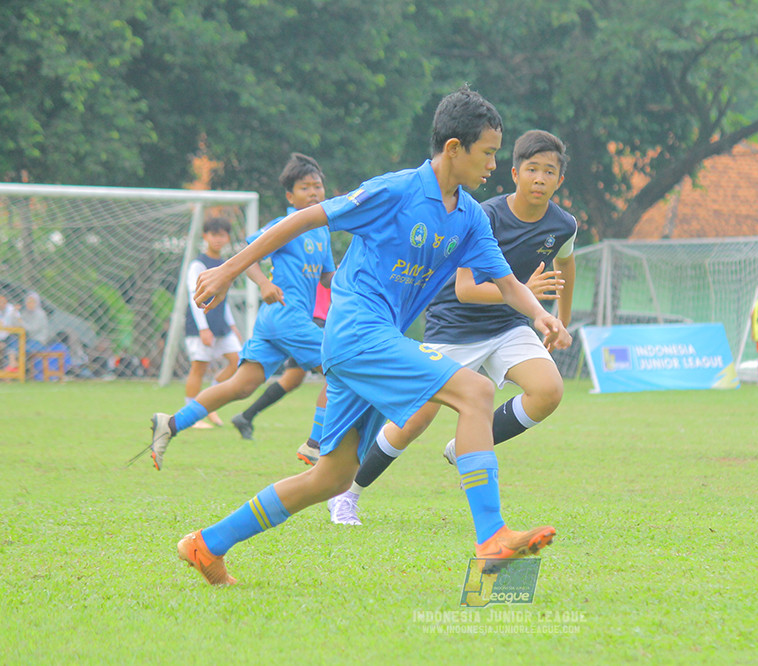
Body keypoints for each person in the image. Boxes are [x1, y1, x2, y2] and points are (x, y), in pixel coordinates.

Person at [174, 87, 571, 585]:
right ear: (453, 148)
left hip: (372, 340)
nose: (494, 164)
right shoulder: (396, 190)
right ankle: (492, 537)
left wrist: (540, 315)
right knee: (476, 391)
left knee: (332, 477)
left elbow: (509, 283)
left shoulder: (469, 216)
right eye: (488, 152)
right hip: (355, 332)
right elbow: (307, 218)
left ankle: (207, 544)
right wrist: (231, 269)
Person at [326, 128, 577, 525]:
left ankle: (466, 448)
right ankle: (348, 493)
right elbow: (465, 290)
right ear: (515, 174)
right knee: (414, 421)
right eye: (532, 169)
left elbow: (566, 263)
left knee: (548, 391)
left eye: (549, 171)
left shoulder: (564, 225)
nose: (540, 178)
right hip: (455, 326)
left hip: (509, 327)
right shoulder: (485, 215)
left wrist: (559, 317)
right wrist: (528, 295)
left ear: (560, 180)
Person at [147, 153, 335, 470]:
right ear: (290, 196)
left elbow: (328, 278)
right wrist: (263, 283)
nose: (314, 193)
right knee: (341, 368)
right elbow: (248, 255)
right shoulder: (286, 225)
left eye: (318, 187)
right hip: (287, 316)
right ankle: (316, 444)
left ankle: (171, 424)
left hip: (274, 322)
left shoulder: (322, 231)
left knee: (241, 386)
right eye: (305, 188)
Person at [230, 272, 332, 443]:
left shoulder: (326, 262)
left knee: (292, 379)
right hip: (310, 323)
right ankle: (318, 440)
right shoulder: (318, 263)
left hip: (310, 321)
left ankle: (246, 417)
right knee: (340, 377)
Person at [182, 217, 243, 428]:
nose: (218, 239)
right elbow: (194, 296)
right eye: (214, 234)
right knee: (199, 368)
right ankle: (190, 415)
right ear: (205, 236)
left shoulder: (224, 264)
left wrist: (233, 326)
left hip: (221, 325)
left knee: (237, 360)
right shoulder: (198, 264)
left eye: (222, 235)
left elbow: (223, 299)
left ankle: (210, 402)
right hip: (201, 326)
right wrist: (203, 329)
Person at [1, 292, 24, 372]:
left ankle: (12, 363)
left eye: (3, 301)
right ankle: (12, 364)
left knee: (13, 339)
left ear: (6, 301)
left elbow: (19, 324)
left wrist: (15, 313)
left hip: (9, 335)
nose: (1, 304)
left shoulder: (11, 309)